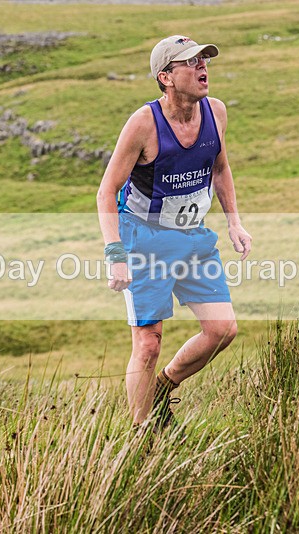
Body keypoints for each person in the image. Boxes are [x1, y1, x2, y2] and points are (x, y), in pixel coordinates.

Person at [96, 35, 253, 431]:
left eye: (205, 60)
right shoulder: (144, 123)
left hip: (192, 236)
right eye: (191, 62)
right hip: (144, 238)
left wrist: (234, 221)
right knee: (148, 343)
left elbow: (219, 168)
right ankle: (140, 437)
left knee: (222, 330)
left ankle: (164, 386)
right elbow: (106, 191)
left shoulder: (215, 112)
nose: (203, 68)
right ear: (165, 76)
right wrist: (115, 255)